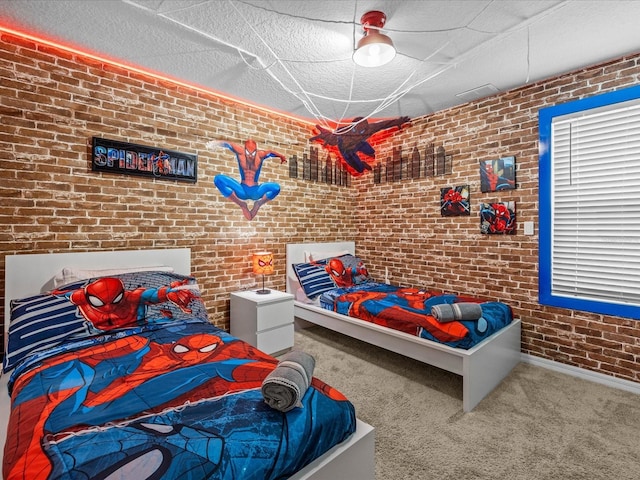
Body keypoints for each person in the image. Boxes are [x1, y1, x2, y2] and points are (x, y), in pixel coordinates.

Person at [210, 139, 286, 220]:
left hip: (256, 192)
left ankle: (258, 204)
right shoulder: (240, 152)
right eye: (248, 153)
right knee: (218, 179)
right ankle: (242, 204)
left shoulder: (260, 155)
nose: (250, 156)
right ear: (244, 149)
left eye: (253, 153)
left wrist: (281, 156)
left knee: (276, 188)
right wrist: (214, 143)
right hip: (242, 190)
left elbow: (270, 152)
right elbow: (228, 144)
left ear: (256, 151)